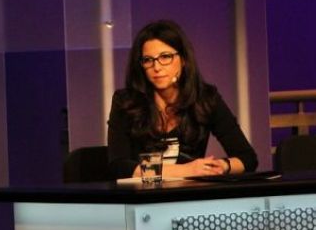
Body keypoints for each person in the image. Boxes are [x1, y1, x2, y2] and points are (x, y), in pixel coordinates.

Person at [107, 19, 257, 180]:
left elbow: (248, 159)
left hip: (187, 199)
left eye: (165, 57)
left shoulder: (205, 98)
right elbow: (118, 167)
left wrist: (223, 166)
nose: (156, 67)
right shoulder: (126, 102)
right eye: (148, 60)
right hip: (141, 199)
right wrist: (185, 170)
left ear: (183, 59)